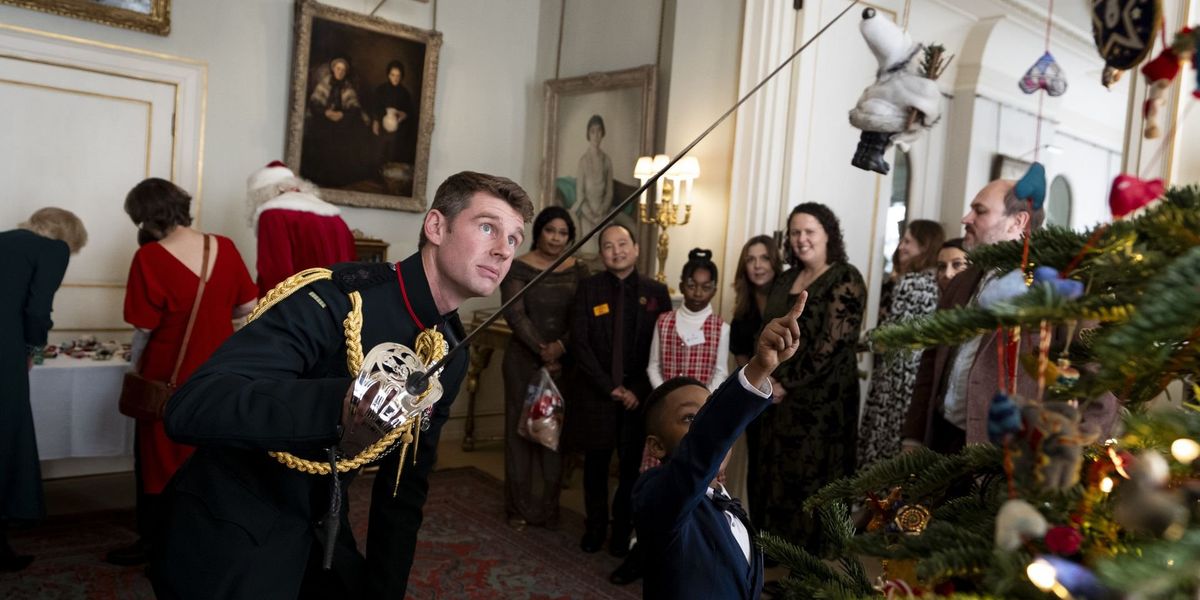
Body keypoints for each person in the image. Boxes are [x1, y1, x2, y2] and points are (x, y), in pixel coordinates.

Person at [150, 172, 534, 599]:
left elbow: (403, 490)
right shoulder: (337, 299)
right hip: (227, 527)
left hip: (322, 528)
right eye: (487, 227)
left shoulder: (449, 352)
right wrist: (343, 402)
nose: (503, 250)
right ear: (436, 227)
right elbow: (193, 406)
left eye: (514, 239)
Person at [106, 178, 259, 567]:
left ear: (144, 218)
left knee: (158, 462)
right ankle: (205, 542)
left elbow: (142, 328)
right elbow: (247, 307)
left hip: (166, 373)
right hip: (219, 369)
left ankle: (155, 545)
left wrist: (134, 367)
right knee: (209, 456)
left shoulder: (150, 258)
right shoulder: (223, 246)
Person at [902, 180, 1118, 453]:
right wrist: (913, 437)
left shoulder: (1061, 288)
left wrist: (1070, 465)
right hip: (941, 442)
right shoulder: (961, 281)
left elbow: (1098, 386)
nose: (965, 218)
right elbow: (931, 362)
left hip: (1008, 457)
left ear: (1018, 221)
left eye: (979, 211)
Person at [634, 292, 809, 600]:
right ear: (656, 446)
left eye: (708, 412)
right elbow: (699, 451)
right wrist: (758, 368)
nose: (704, 424)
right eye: (691, 418)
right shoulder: (657, 495)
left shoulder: (728, 504)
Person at [752, 202, 865, 553]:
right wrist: (768, 379)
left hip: (822, 403)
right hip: (775, 396)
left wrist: (787, 383)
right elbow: (767, 330)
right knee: (774, 475)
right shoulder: (785, 278)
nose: (801, 239)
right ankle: (774, 553)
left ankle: (808, 565)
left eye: (809, 232)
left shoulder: (846, 278)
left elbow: (830, 346)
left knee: (812, 482)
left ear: (828, 234)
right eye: (795, 232)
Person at [568, 223, 670, 558]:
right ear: (602, 254)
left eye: (623, 244)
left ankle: (621, 531)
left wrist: (636, 390)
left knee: (630, 469)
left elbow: (662, 347)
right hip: (598, 394)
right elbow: (580, 344)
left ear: (636, 249)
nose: (617, 251)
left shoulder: (657, 292)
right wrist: (611, 387)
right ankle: (595, 528)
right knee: (595, 467)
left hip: (639, 398)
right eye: (609, 246)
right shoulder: (588, 288)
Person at [0, 208, 86, 572]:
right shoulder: (54, 250)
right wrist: (33, 348)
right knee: (6, 436)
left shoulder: (5, 240)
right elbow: (37, 309)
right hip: (5, 350)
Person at [500, 206, 588, 530]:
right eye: (550, 230)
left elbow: (583, 316)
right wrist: (543, 349)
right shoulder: (517, 266)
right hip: (523, 361)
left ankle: (547, 509)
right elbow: (514, 313)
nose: (556, 238)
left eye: (563, 233)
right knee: (520, 434)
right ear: (539, 232)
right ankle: (518, 508)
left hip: (564, 364)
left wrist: (561, 348)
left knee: (553, 435)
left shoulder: (580, 270)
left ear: (570, 237)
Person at [857, 220, 944, 469]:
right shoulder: (935, 283)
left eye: (908, 241)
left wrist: (855, 340)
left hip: (897, 382)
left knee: (882, 459)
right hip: (915, 382)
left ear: (924, 246)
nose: (901, 247)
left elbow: (891, 336)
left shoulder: (912, 283)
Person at [727, 235, 784, 518]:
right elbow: (740, 356)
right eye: (750, 259)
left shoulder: (789, 298)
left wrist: (782, 384)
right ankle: (762, 536)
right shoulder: (743, 309)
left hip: (789, 398)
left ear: (775, 261)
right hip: (758, 398)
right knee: (758, 468)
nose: (757, 266)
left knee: (782, 469)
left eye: (763, 258)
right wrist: (765, 383)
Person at [246, 161, 357, 296]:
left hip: (301, 308)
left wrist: (265, 312)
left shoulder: (273, 214)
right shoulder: (334, 215)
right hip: (339, 306)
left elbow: (275, 274)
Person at [647, 248, 730, 392]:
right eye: (691, 286)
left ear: (714, 291)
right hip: (667, 401)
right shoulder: (663, 322)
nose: (698, 293)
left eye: (706, 287)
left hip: (702, 403)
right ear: (682, 286)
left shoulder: (721, 328)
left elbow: (720, 372)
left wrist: (703, 399)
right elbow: (654, 366)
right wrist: (666, 394)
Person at [303, 57, 370, 187]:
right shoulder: (324, 83)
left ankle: (338, 177)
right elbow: (314, 104)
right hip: (324, 118)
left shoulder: (348, 87)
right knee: (319, 135)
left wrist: (342, 114)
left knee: (346, 137)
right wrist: (326, 113)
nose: (340, 72)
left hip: (341, 121)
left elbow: (355, 108)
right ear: (333, 69)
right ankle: (319, 175)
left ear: (345, 73)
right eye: (338, 69)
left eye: (343, 70)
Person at [575, 115, 612, 254]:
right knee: (589, 251)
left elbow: (609, 192)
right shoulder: (583, 162)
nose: (596, 135)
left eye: (599, 131)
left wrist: (601, 213)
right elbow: (580, 195)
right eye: (592, 131)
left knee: (607, 248)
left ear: (603, 133)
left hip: (603, 214)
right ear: (588, 134)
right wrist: (591, 216)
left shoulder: (607, 161)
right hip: (586, 214)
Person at [372, 60, 417, 166]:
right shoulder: (380, 90)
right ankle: (378, 171)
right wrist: (376, 121)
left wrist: (404, 114)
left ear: (401, 76)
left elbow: (409, 111)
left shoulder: (405, 93)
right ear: (388, 75)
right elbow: (375, 107)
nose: (395, 78)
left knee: (396, 148)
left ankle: (391, 173)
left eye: (398, 75)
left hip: (399, 128)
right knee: (379, 147)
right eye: (393, 75)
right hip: (382, 126)